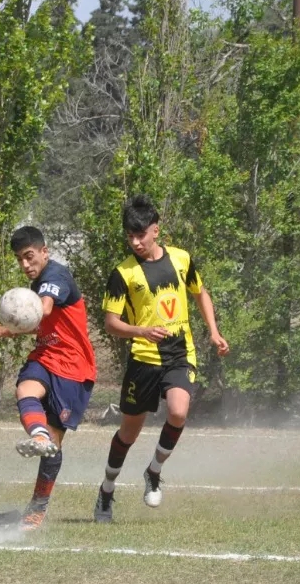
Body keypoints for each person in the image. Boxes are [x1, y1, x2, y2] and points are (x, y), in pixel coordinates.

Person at [92, 195, 229, 523]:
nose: (136, 242)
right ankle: (106, 491)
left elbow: (200, 292)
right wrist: (141, 331)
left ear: (156, 231)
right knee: (129, 433)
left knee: (179, 412)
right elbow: (111, 324)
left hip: (180, 353)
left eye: (141, 235)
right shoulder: (123, 274)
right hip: (144, 359)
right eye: (130, 236)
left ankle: (153, 471)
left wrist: (213, 331)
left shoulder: (181, 259)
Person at [0, 226, 97, 531]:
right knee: (25, 390)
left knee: (54, 450)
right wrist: (8, 329)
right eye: (20, 259)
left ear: (44, 252)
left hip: (73, 368)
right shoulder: (37, 283)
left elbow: (43, 310)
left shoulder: (56, 276)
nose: (25, 264)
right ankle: (38, 435)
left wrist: (4, 329)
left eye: (29, 256)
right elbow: (39, 325)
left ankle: (37, 508)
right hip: (46, 357)